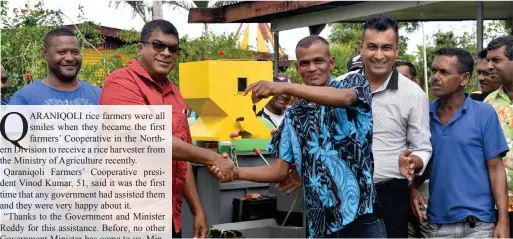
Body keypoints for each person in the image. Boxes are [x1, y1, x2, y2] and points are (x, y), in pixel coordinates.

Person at [210, 35, 389, 238]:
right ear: (298, 68)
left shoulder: (353, 84)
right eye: (304, 63)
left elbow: (345, 99)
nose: (312, 68)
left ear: (331, 63)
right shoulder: (294, 113)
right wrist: (236, 172)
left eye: (318, 61)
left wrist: (285, 86)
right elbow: (279, 170)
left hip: (361, 217)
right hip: (320, 224)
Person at [99, 19, 235, 238]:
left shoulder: (176, 95)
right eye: (158, 45)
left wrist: (198, 210)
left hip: (169, 216)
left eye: (173, 48)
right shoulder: (120, 83)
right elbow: (152, 139)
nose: (166, 53)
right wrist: (215, 159)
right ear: (140, 48)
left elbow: (180, 158)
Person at [335, 13, 432, 238]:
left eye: (386, 48)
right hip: (339, 193)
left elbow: (423, 148)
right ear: (361, 48)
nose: (379, 55)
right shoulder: (338, 87)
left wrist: (412, 162)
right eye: (372, 47)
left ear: (397, 50)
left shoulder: (413, 95)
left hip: (389, 196)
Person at [410, 47, 509, 238]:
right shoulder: (423, 115)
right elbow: (423, 164)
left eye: (444, 72)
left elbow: (496, 169)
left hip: (478, 223)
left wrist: (502, 220)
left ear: (464, 78)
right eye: (433, 71)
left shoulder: (484, 113)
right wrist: (412, 188)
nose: (435, 77)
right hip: (437, 224)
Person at [8, 28, 101, 105]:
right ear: (45, 53)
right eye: (61, 52)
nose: (69, 58)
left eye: (75, 52)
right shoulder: (24, 98)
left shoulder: (99, 95)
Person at [483, 36, 513, 234]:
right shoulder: (488, 105)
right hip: (499, 206)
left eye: (496, 60)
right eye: (488, 60)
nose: (489, 66)